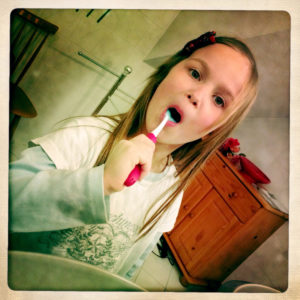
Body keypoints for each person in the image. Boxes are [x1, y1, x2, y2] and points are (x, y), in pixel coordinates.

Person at [9, 31, 258, 281]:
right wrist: (101, 181)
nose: (197, 95)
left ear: (212, 131)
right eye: (195, 73)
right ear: (166, 74)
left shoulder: (171, 192)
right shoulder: (85, 136)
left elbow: (132, 261)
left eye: (218, 100)